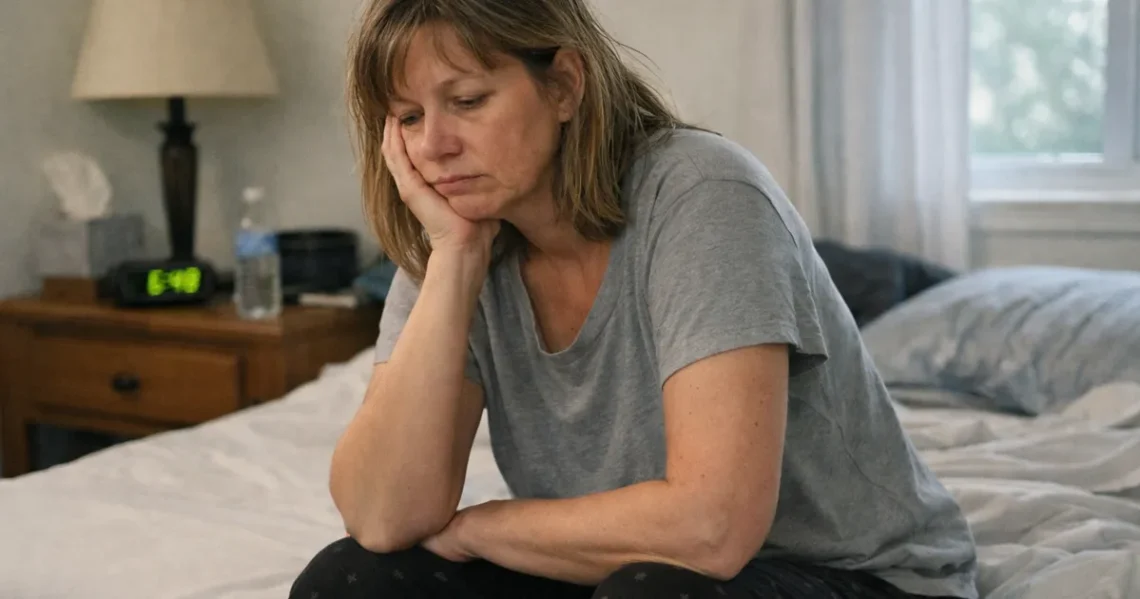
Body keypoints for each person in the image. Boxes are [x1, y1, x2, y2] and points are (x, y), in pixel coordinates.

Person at [290, 0, 979, 597]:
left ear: (564, 84)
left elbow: (712, 528)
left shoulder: (702, 194)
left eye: (467, 101)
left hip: (851, 576)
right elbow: (382, 517)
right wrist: (456, 259)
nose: (435, 145)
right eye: (407, 117)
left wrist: (482, 527)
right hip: (620, 571)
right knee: (348, 580)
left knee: (652, 590)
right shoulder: (459, 231)